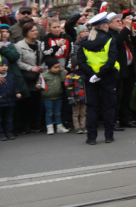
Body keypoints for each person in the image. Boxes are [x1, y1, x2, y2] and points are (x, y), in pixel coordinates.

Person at [74, 12, 118, 145]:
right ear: (104, 26)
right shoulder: (110, 40)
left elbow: (81, 61)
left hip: (90, 78)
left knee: (92, 108)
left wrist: (93, 75)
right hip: (107, 77)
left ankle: (91, 137)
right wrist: (100, 74)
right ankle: (109, 135)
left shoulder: (84, 41)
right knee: (108, 107)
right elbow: (111, 61)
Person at [15, 22, 46, 133]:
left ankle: (35, 123)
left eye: (36, 30)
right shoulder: (19, 46)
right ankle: (25, 124)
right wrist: (31, 68)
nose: (35, 32)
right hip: (26, 77)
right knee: (26, 103)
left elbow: (45, 59)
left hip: (38, 77)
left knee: (36, 101)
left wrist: (40, 68)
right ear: (26, 33)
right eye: (32, 31)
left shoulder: (41, 44)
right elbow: (18, 62)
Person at [41, 57, 69, 134]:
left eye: (58, 67)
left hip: (58, 97)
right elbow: (39, 84)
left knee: (58, 113)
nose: (57, 69)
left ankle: (59, 126)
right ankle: (49, 127)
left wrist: (61, 71)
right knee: (49, 113)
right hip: (48, 98)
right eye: (55, 67)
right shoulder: (44, 75)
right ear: (49, 68)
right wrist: (38, 86)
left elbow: (64, 79)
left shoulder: (59, 74)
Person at [0, 60, 20, 140]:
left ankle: (9, 132)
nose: (4, 67)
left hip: (10, 100)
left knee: (9, 118)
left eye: (6, 65)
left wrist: (17, 92)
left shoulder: (10, 76)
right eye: (1, 65)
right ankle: (0, 133)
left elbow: (14, 85)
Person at [65, 67, 87, 134]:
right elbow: (68, 87)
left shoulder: (84, 75)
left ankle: (83, 126)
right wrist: (71, 97)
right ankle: (77, 127)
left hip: (84, 97)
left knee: (83, 112)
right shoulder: (70, 76)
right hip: (75, 97)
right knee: (76, 113)